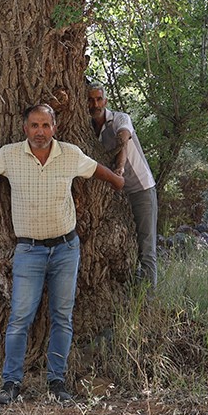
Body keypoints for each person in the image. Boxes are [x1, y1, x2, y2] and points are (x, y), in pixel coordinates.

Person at [0, 103, 124, 405]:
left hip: (66, 249)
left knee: (62, 317)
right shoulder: (9, 155)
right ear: (25, 128)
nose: (40, 132)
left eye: (45, 125)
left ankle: (57, 382)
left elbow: (98, 170)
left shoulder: (70, 154)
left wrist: (118, 179)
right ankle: (11, 383)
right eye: (34, 126)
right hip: (28, 250)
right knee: (19, 318)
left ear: (55, 127)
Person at [88, 80, 158, 285]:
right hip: (117, 194)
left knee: (146, 247)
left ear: (105, 100)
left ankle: (147, 301)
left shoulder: (120, 118)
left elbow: (123, 140)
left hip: (141, 189)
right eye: (91, 100)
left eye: (99, 99)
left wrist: (119, 168)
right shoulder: (88, 129)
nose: (95, 104)